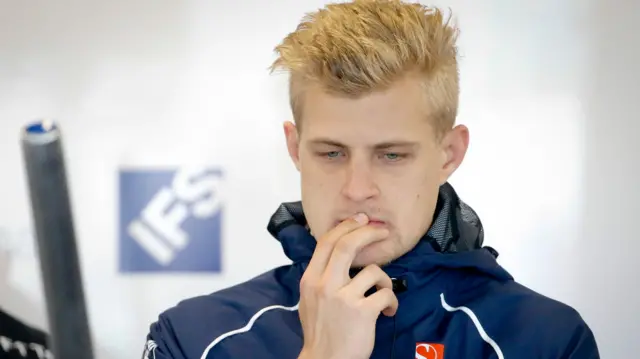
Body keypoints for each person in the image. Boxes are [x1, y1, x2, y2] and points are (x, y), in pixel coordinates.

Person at [142, 1, 600, 358]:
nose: (357, 188)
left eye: (392, 155)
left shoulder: (546, 341)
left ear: (449, 154)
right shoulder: (194, 339)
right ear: (294, 148)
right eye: (332, 153)